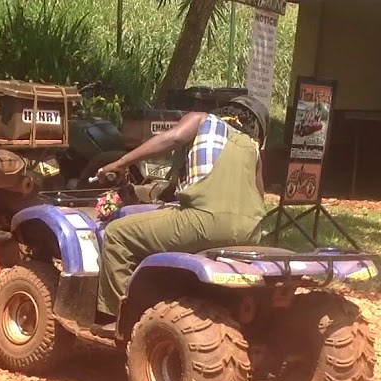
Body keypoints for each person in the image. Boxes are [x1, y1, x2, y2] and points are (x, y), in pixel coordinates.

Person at [92, 95, 270, 335]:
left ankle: (120, 318)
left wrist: (121, 163)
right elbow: (259, 194)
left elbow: (173, 138)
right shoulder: (252, 148)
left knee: (117, 234)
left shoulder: (202, 121)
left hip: (204, 221)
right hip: (250, 232)